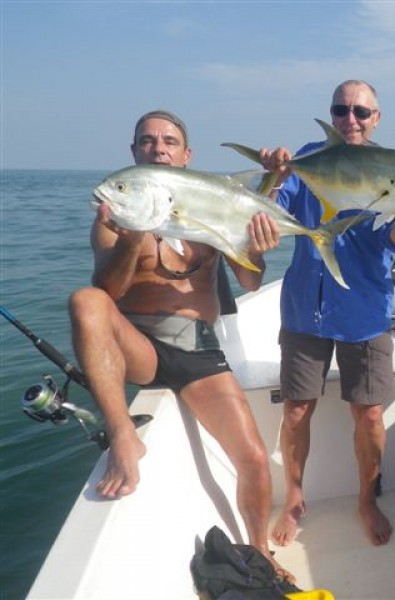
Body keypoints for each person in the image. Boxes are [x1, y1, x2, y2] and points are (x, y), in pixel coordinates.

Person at [69, 110, 291, 576]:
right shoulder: (114, 217)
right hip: (140, 346)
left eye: (169, 141)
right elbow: (107, 292)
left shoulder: (210, 204)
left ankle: (260, 551)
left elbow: (251, 283)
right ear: (134, 153)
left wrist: (255, 247)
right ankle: (123, 434)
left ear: (187, 155)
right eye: (147, 141)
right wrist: (132, 241)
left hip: (199, 351)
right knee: (86, 301)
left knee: (253, 457)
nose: (159, 148)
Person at [259, 80, 395, 547]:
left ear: (377, 118)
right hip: (305, 307)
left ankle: (366, 497)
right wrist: (273, 174)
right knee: (296, 410)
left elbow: (392, 243)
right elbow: (274, 209)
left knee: (370, 413)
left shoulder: (392, 170)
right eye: (341, 110)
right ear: (331, 115)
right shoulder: (310, 158)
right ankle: (294, 497)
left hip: (365, 309)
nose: (350, 119)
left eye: (361, 111)